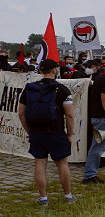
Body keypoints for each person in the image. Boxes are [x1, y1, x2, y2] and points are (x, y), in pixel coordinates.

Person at [17, 60, 77, 205]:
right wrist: (69, 134)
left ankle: (43, 198)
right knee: (62, 164)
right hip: (56, 132)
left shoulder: (30, 88)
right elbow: (69, 115)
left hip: (37, 133)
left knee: (40, 163)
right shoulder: (62, 89)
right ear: (55, 70)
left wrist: (29, 131)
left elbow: (21, 114)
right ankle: (68, 196)